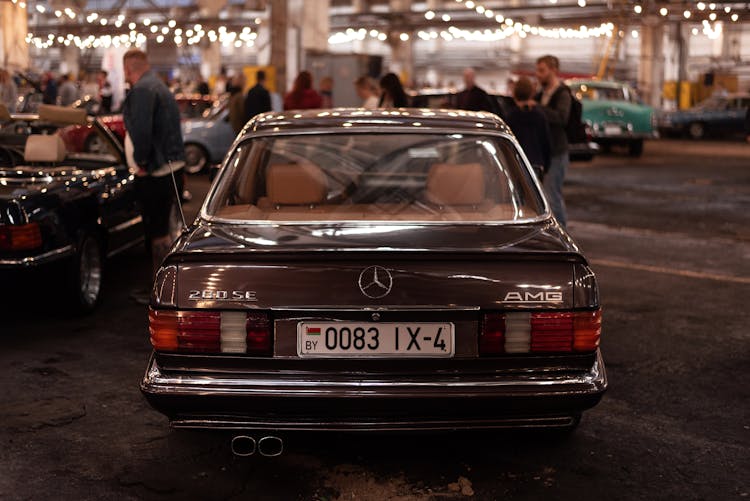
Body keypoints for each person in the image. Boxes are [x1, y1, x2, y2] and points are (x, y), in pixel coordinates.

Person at [121, 49, 186, 303]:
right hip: (170, 167)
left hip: (156, 171)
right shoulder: (158, 86)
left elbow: (142, 131)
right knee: (167, 230)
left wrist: (142, 163)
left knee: (157, 231)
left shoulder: (141, 91)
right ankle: (166, 288)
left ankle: (159, 291)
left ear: (127, 70)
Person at [534, 55, 571, 227]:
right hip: (544, 152)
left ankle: (562, 234)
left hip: (557, 152)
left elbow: (561, 118)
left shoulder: (562, 93)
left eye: (542, 71)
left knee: (553, 195)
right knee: (543, 196)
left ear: (554, 71)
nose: (538, 74)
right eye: (537, 70)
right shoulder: (541, 93)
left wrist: (537, 108)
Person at [505, 76, 551, 180]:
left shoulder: (511, 116)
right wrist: (547, 165)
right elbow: (545, 142)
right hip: (536, 163)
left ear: (515, 94)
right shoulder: (539, 115)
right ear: (531, 94)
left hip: (517, 163)